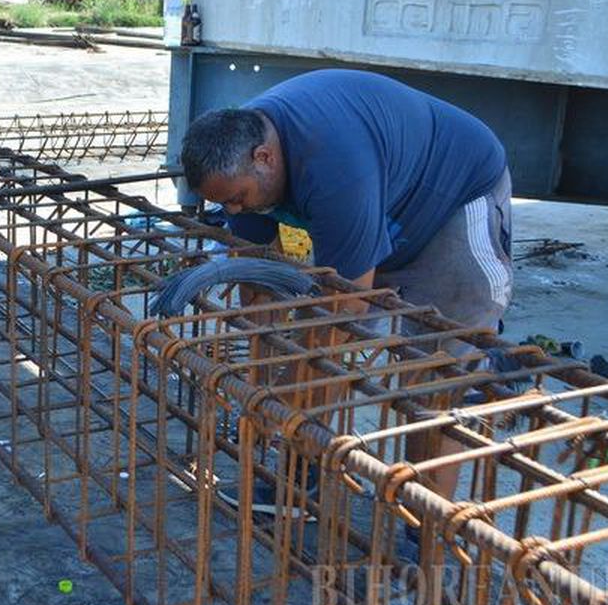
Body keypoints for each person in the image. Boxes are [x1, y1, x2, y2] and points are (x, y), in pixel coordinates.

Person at [180, 69, 512, 496]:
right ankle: (297, 482)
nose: (232, 210)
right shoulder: (242, 162)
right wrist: (262, 381)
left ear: (264, 158)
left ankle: (425, 521)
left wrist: (280, 397)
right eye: (223, 202)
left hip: (452, 196)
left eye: (236, 199)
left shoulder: (334, 166)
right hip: (379, 199)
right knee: (314, 340)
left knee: (436, 372)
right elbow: (256, 282)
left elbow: (347, 308)